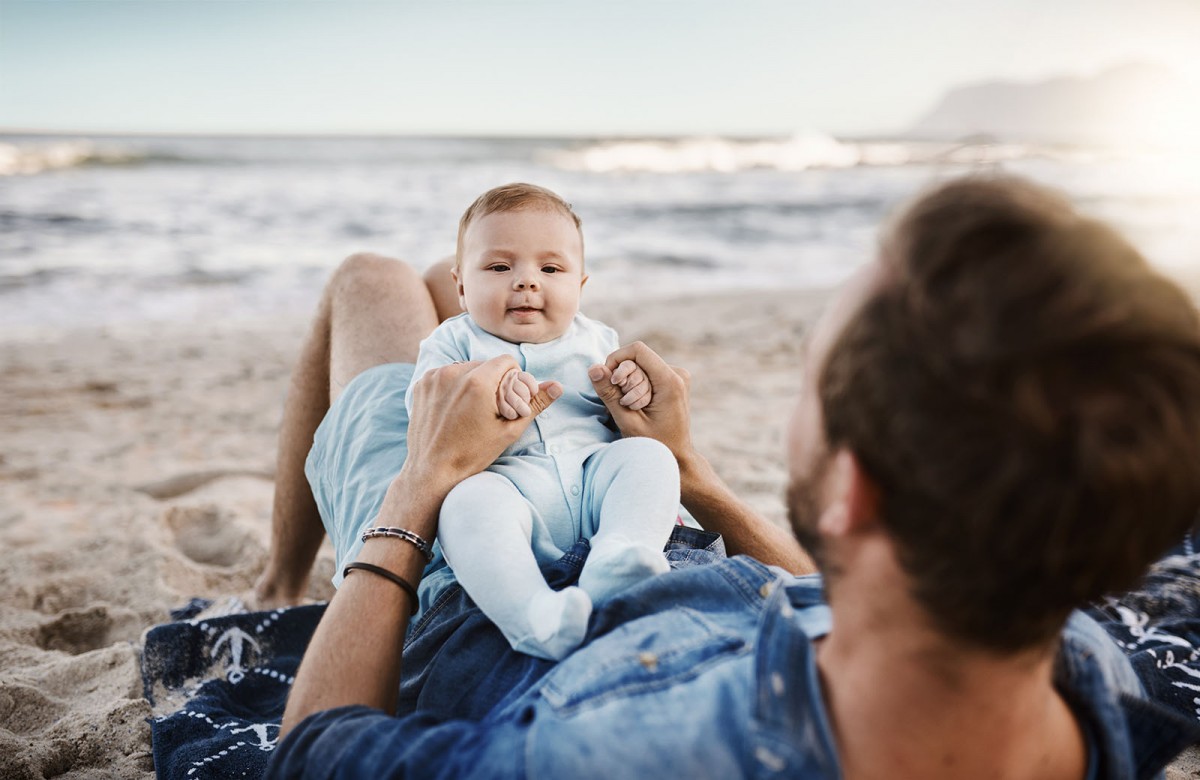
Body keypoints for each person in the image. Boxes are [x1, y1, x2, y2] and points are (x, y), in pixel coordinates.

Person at [258, 175, 1200, 778]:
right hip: (624, 526)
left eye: (810, 377)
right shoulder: (1074, 664)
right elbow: (856, 597)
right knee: (452, 275)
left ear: (853, 491)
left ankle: (276, 581)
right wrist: (694, 476)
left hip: (479, 583)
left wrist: (421, 485)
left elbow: (315, 755)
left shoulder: (642, 753)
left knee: (373, 278)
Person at [403, 183, 681, 660]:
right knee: (467, 504)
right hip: (508, 488)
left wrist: (633, 385)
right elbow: (425, 409)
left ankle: (618, 556)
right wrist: (480, 386)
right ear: (462, 286)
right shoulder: (453, 341)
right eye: (498, 267)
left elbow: (622, 415)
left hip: (591, 480)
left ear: (580, 285)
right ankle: (533, 617)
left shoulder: (597, 338)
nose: (526, 281)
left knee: (648, 457)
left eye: (550, 269)